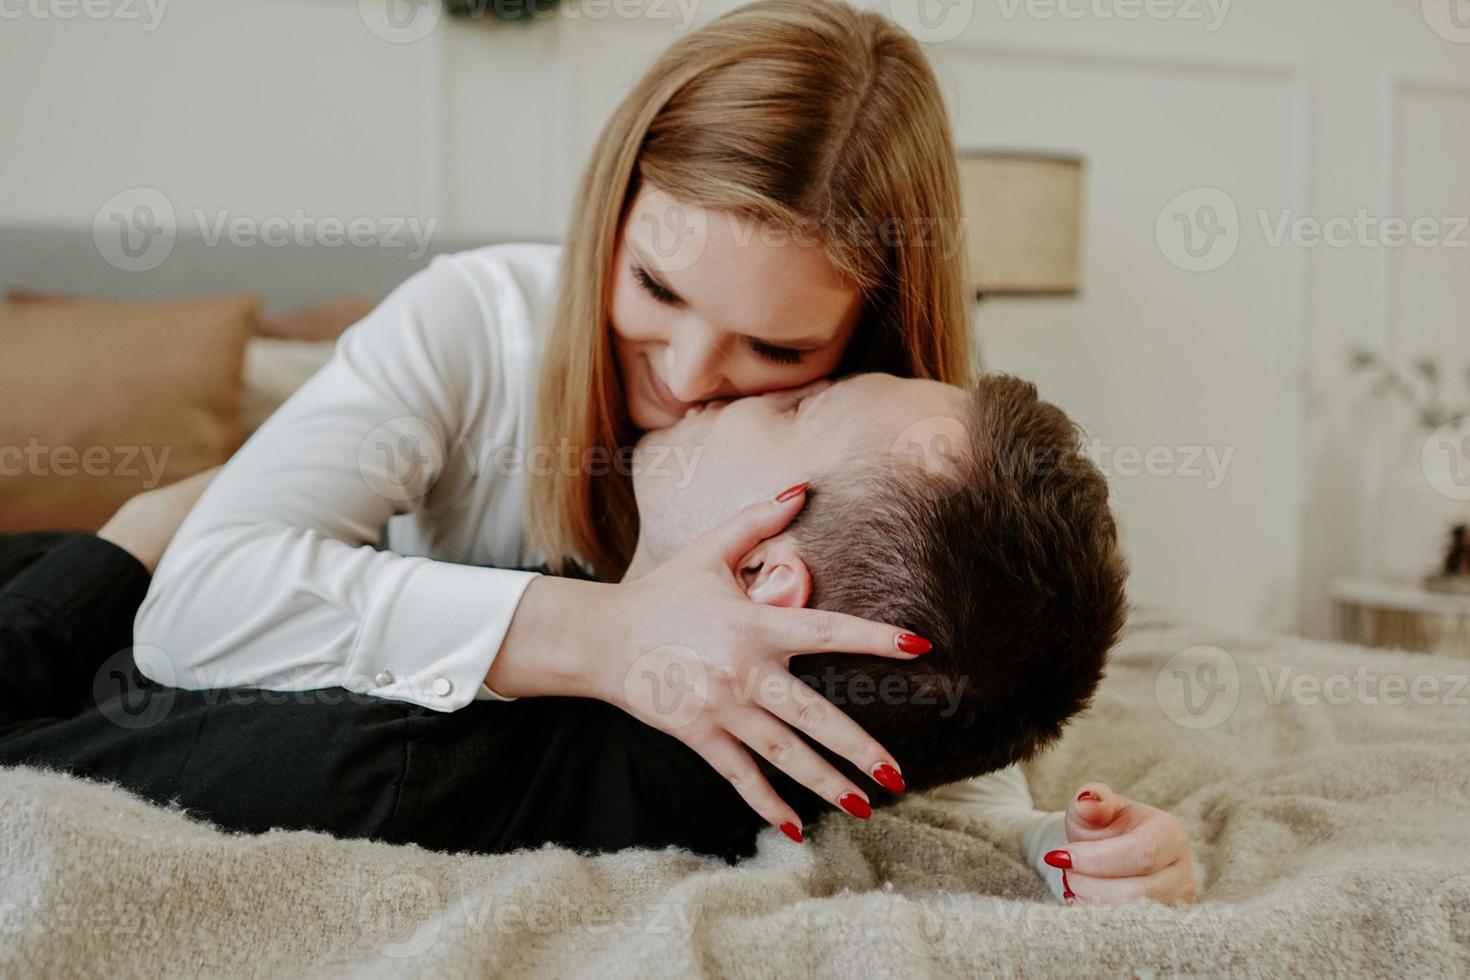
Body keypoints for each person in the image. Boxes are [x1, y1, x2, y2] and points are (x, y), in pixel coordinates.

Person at [125, 0, 1192, 901]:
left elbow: (925, 676)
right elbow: (190, 613)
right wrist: (607, 634)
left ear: (864, 342)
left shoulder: (885, 432)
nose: (683, 377)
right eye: (655, 288)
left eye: (779, 349)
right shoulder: (475, 325)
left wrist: (1040, 843)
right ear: (612, 217)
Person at [1, 374, 1195, 904]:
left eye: (791, 405)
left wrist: (129, 543)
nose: (710, 383)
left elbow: (53, 753)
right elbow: (967, 682)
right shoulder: (809, 735)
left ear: (770, 582)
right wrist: (1056, 840)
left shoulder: (406, 755)